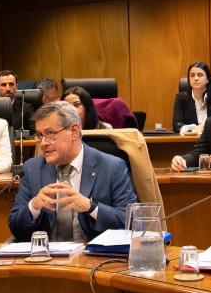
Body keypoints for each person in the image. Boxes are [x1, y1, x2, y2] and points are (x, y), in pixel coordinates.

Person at [8, 101, 137, 242]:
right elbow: (15, 226)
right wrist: (33, 206)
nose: (43, 143)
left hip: (93, 258)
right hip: (47, 258)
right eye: (40, 135)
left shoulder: (111, 167)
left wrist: (90, 207)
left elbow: (130, 221)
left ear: (74, 131)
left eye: (50, 133)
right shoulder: (33, 168)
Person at [173, 61, 211, 134]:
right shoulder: (181, 98)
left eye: (200, 75)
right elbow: (176, 125)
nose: (196, 78)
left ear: (207, 79)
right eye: (192, 75)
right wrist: (195, 128)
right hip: (190, 140)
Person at [0, 70, 35, 135]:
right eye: (3, 85)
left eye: (11, 84)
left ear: (16, 87)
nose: (8, 89)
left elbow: (34, 134)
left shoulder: (26, 108)